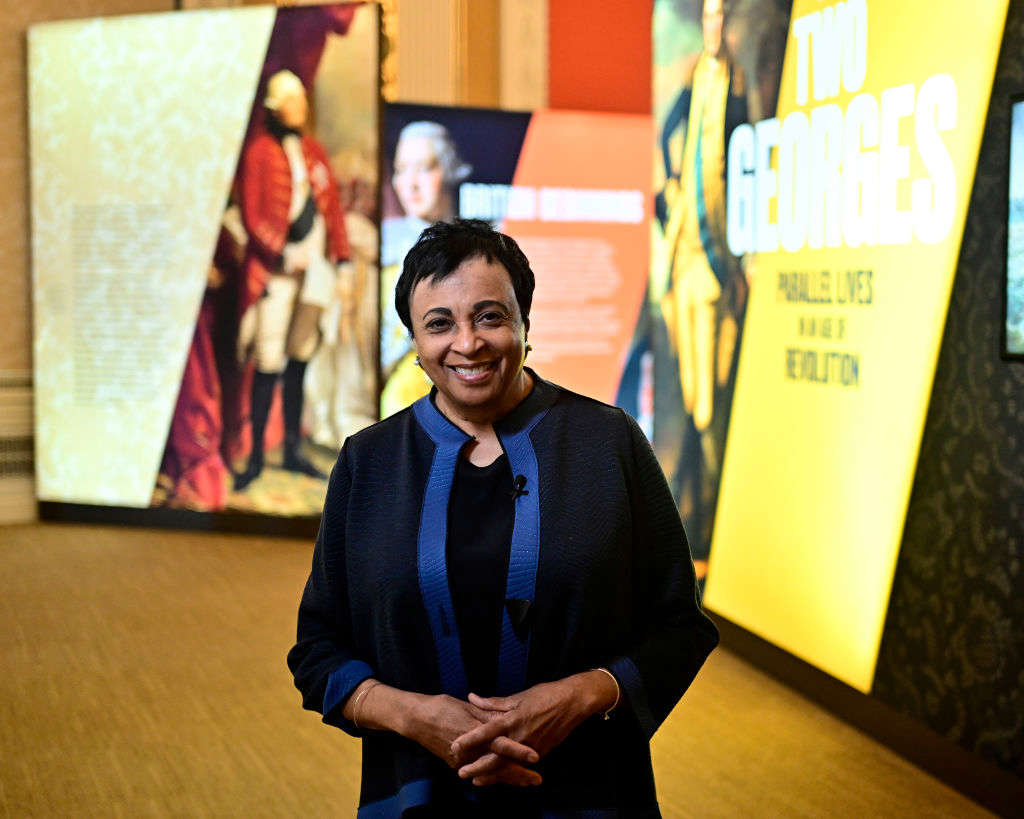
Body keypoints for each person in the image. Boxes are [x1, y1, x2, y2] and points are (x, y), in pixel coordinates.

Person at [288, 219, 719, 816]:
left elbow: (680, 627)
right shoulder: (369, 461)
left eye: (489, 317)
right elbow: (317, 650)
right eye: (440, 323)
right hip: (420, 798)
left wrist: (582, 695)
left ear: (525, 322)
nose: (468, 344)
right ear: (414, 341)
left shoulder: (609, 442)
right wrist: (414, 716)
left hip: (589, 796)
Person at [657, 0, 748, 578]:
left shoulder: (739, 86)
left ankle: (711, 528)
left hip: (720, 266)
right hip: (684, 261)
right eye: (707, 17)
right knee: (691, 402)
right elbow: (670, 133)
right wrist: (669, 188)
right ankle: (689, 530)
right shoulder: (695, 79)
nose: (712, 28)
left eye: (721, 17)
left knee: (713, 403)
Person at [234, 69, 351, 491]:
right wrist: (281, 251)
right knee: (269, 360)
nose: (299, 108)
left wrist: (341, 258)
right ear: (276, 107)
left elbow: (331, 208)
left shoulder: (314, 151)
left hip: (315, 273)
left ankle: (292, 451)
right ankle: (256, 459)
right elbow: (253, 215)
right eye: (292, 101)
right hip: (277, 274)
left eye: (301, 100)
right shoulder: (258, 152)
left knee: (300, 357)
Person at [380, 121, 472, 418]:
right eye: (401, 170)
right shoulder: (383, 244)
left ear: (449, 170)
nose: (410, 183)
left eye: (424, 168)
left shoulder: (479, 248)